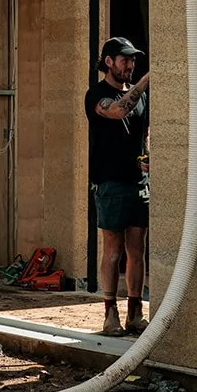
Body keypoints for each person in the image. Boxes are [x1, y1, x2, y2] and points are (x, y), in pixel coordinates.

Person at [84, 36, 150, 336]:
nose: (131, 64)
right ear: (109, 61)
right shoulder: (95, 94)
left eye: (133, 60)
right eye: (125, 59)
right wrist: (147, 80)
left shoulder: (141, 97)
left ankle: (135, 313)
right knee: (113, 248)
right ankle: (110, 314)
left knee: (137, 248)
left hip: (138, 181)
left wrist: (147, 159)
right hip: (109, 182)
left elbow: (142, 133)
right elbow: (118, 111)